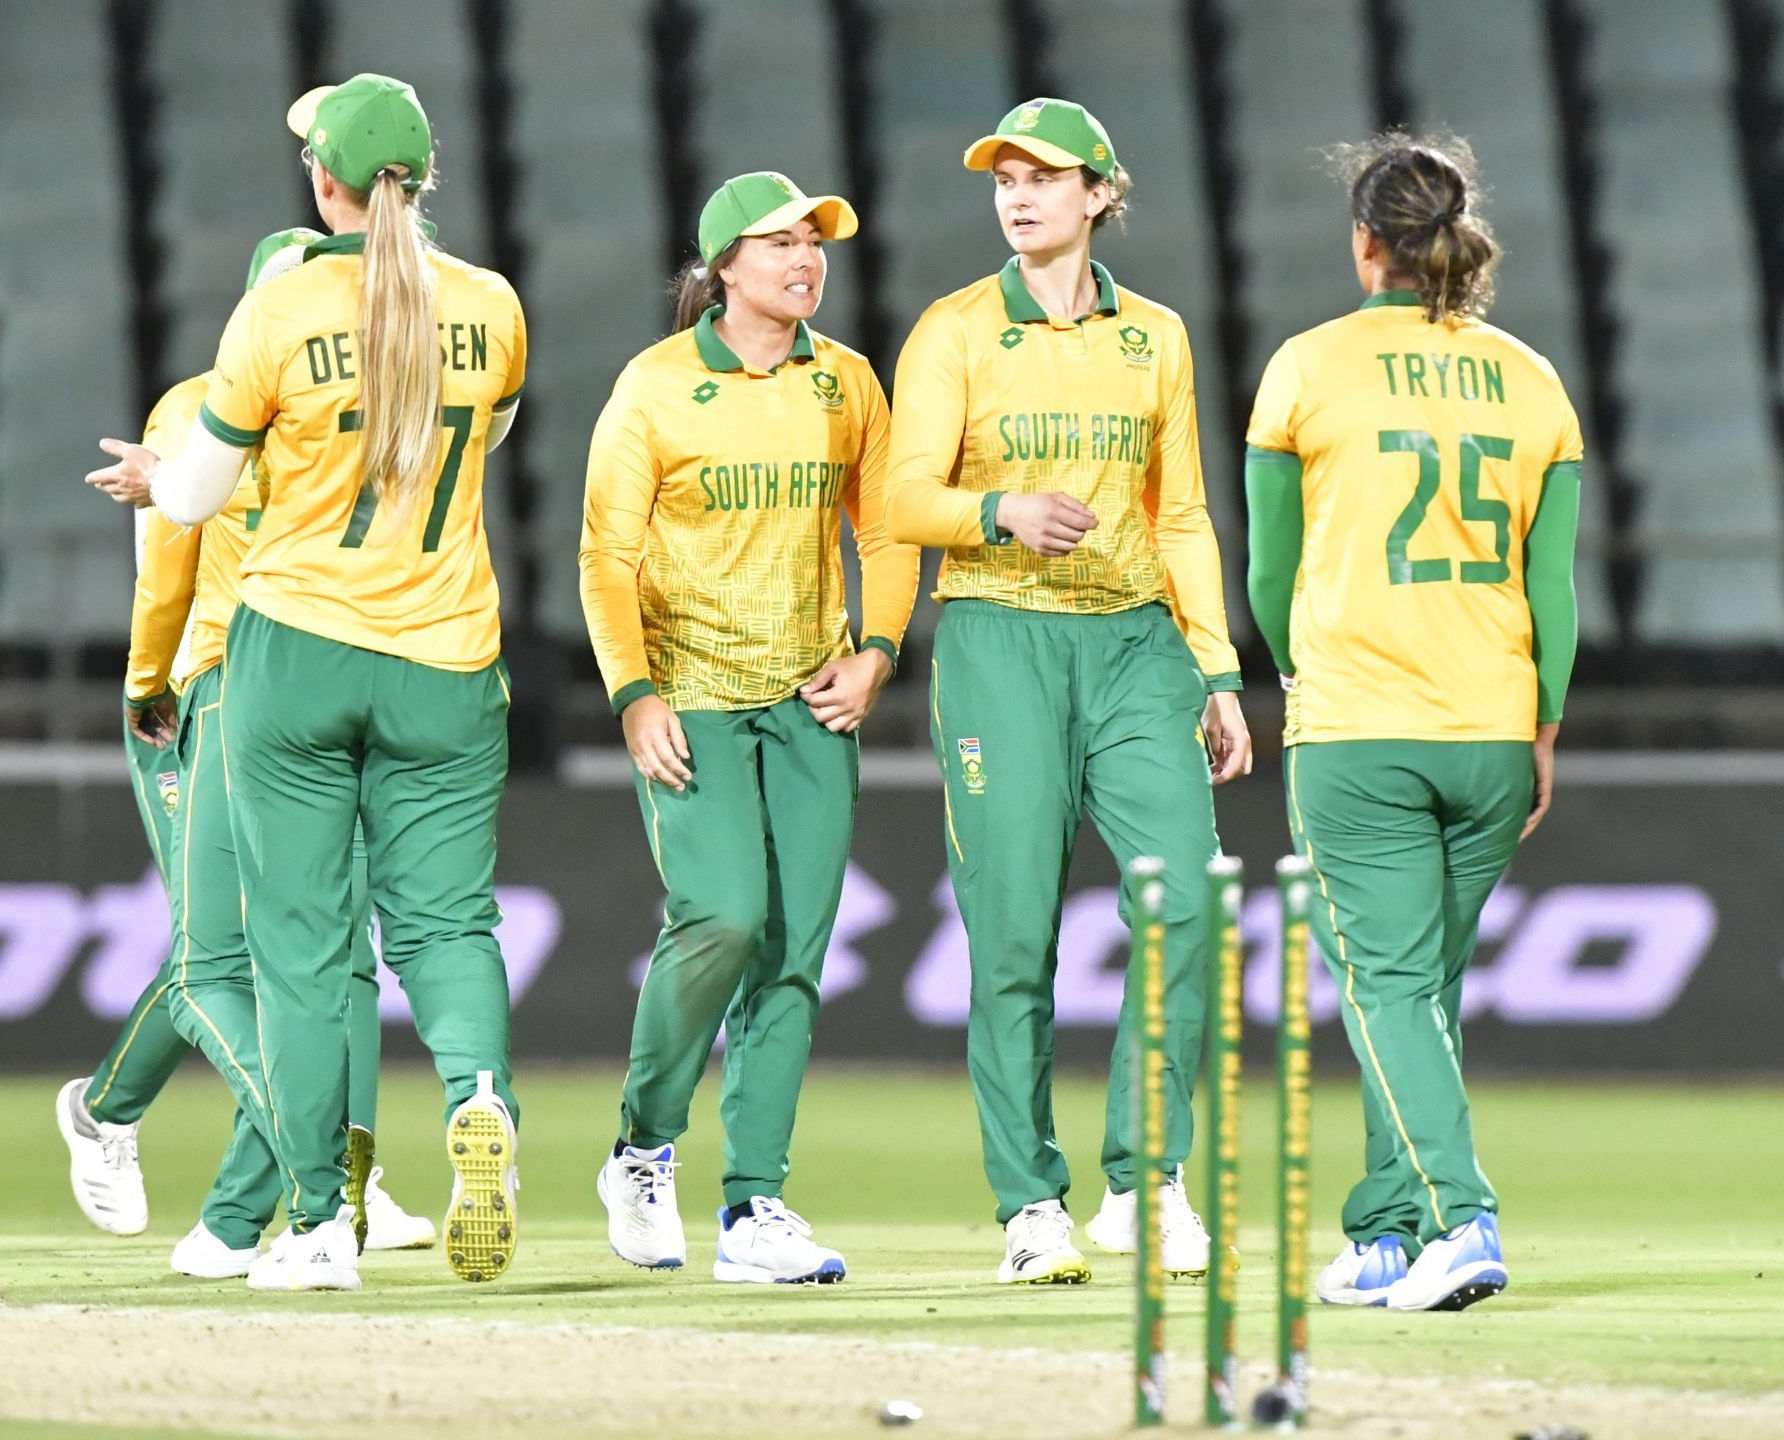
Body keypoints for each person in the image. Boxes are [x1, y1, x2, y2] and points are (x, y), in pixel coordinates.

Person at [86, 74, 527, 1290]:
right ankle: (482, 1101)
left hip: (295, 651)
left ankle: (322, 1221)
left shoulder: (275, 313)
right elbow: (478, 434)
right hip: (447, 652)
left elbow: (189, 499)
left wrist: (164, 472)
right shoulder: (494, 306)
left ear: (322, 180)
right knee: (448, 925)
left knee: (301, 948)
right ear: (423, 180)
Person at [885, 99, 1250, 1285]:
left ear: (1100, 193)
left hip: (1139, 645)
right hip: (999, 639)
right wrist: (1000, 513)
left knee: (1187, 905)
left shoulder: (1157, 336)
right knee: (1013, 930)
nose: (1018, 192)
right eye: (1004, 175)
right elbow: (900, 504)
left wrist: (1218, 666)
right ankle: (1031, 1205)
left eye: (1045, 176)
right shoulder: (953, 331)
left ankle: (1148, 1185)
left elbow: (1183, 511)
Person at [1243, 132, 1580, 1312]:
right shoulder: (1535, 378)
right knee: (1422, 998)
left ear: (1367, 243)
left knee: (1385, 987)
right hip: (1492, 727)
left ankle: (1462, 1217)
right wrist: (1540, 730)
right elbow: (1556, 593)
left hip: (1361, 726)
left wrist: (1300, 671)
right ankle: (1385, 1229)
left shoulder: (1308, 367)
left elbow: (1270, 571)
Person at [57, 229, 436, 1275]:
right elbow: (165, 571)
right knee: (212, 956)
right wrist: (147, 685)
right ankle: (160, 1131)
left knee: (321, 953)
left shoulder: (360, 411)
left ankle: (280, 1194)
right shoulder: (196, 410)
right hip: (206, 692)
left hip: (311, 693)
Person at [579, 172, 917, 1283]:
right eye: (779, 244)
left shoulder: (847, 383)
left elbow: (896, 530)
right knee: (722, 918)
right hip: (692, 698)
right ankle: (641, 1148)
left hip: (811, 703)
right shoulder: (656, 388)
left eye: (815, 242)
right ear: (723, 265)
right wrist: (634, 694)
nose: (806, 259)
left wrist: (879, 651)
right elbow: (606, 558)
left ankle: (753, 1209)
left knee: (794, 955)